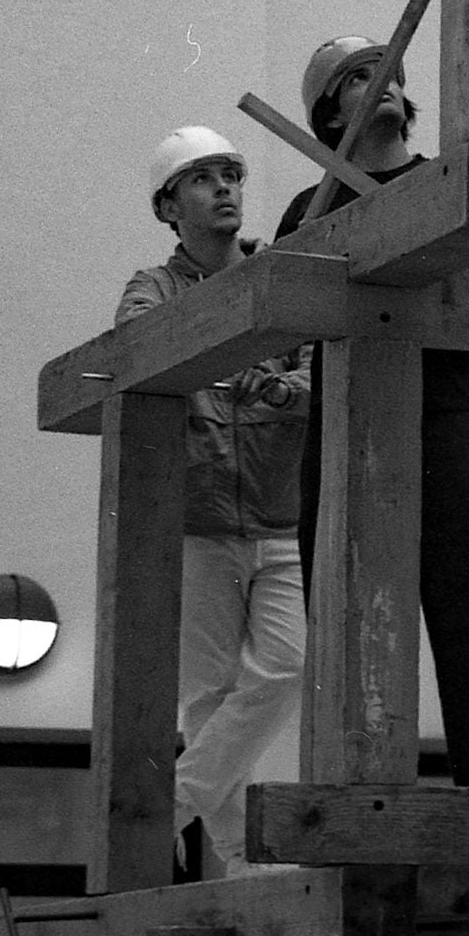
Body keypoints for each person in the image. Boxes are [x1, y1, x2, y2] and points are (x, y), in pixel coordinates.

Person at [272, 36, 469, 791]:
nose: (380, 85)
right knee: (345, 622)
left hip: (443, 414)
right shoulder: (309, 209)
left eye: (386, 74)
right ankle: (350, 797)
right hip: (344, 423)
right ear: (329, 113)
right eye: (357, 78)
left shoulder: (446, 184)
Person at [120, 127, 308, 878]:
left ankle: (172, 807)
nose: (226, 188)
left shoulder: (281, 279)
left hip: (280, 511)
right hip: (195, 517)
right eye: (204, 179)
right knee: (207, 697)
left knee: (284, 669)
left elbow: (318, 368)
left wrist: (282, 388)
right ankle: (241, 860)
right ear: (170, 207)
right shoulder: (152, 288)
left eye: (232, 174)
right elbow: (138, 342)